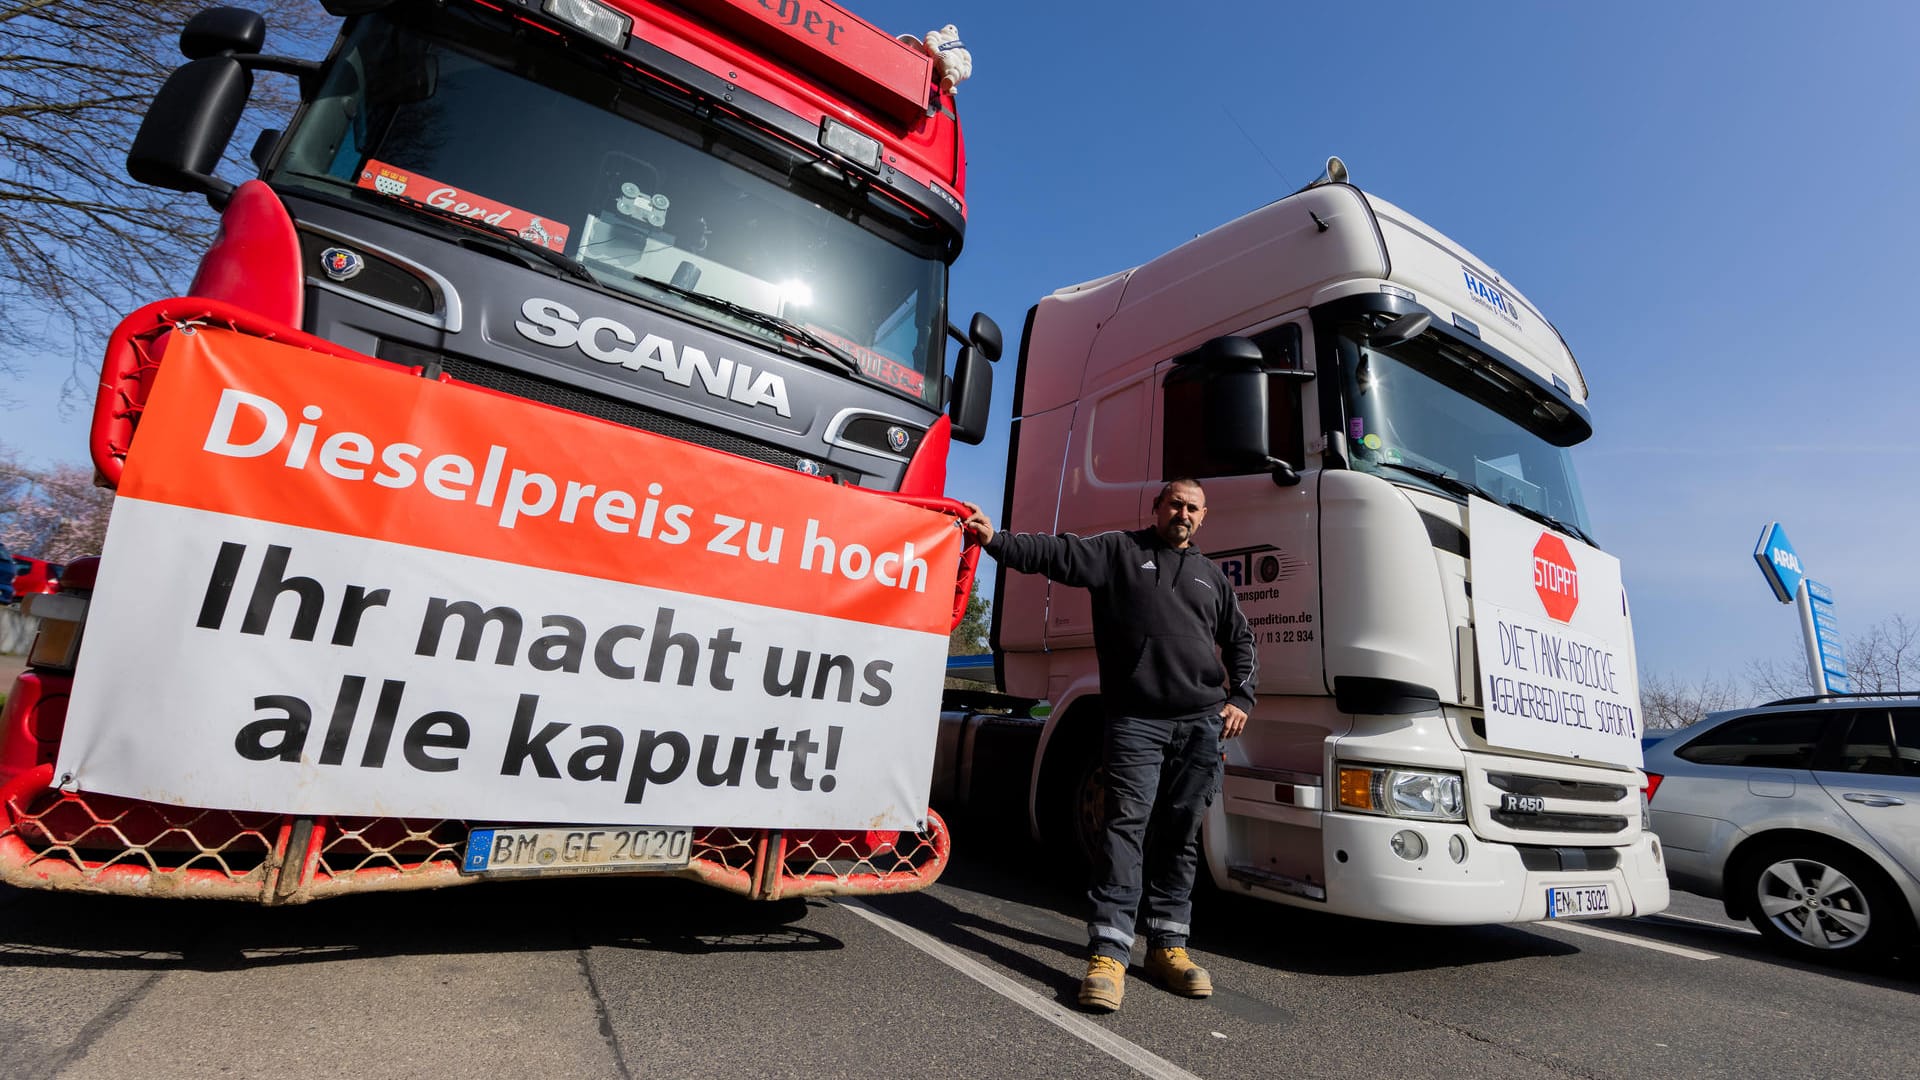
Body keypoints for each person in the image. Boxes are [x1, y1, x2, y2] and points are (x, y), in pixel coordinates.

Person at [959, 478, 1256, 1012]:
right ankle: (1110, 954)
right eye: (1174, 505)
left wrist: (1243, 699)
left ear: (1203, 517)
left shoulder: (1213, 578)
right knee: (1125, 829)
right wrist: (996, 540)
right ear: (1157, 507)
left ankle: (1168, 947)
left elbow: (1240, 641)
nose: (1182, 514)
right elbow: (1058, 554)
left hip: (1200, 724)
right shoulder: (1119, 552)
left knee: (1182, 833)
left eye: (1192, 508)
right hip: (1137, 721)